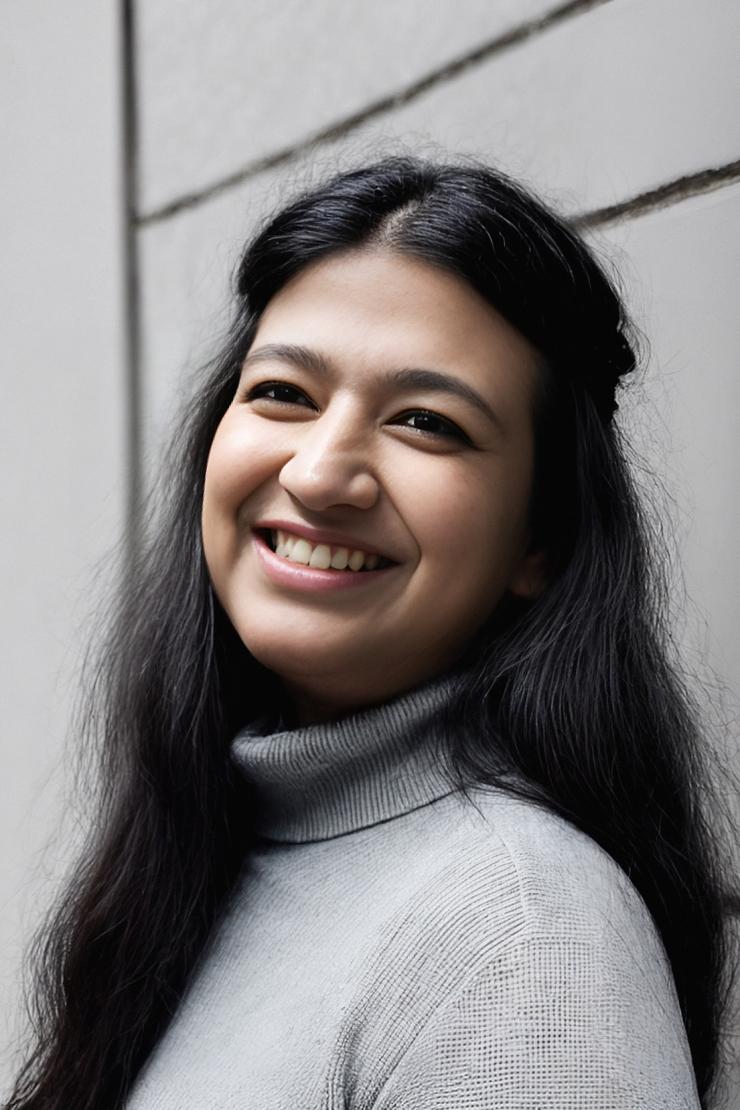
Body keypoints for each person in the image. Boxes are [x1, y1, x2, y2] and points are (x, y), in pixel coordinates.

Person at [7, 156, 738, 1109]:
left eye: (427, 422)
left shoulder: (521, 935)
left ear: (543, 541)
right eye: (282, 394)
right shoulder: (205, 859)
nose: (319, 474)